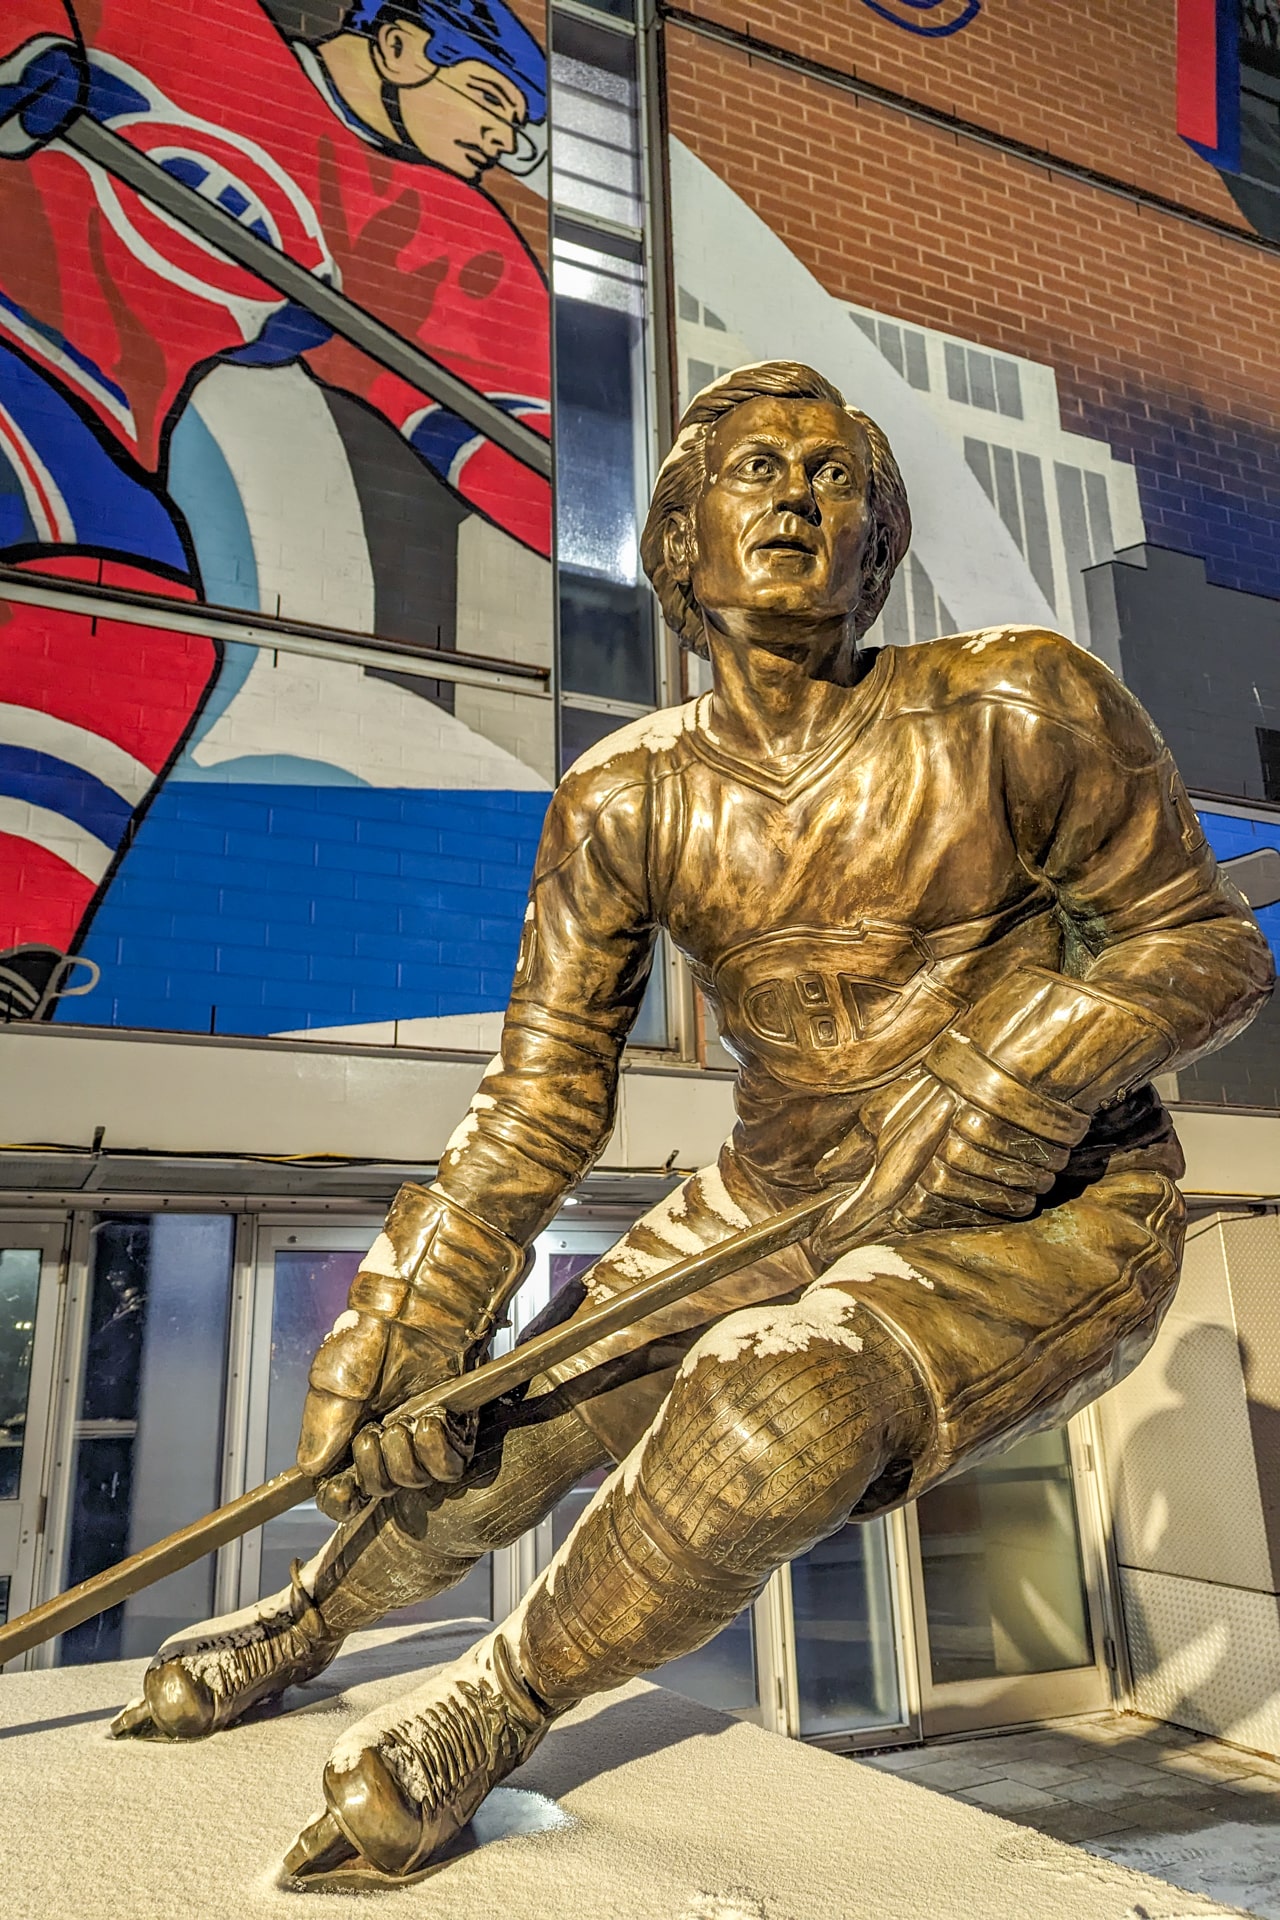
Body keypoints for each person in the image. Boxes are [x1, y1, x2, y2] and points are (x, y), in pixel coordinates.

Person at [112, 362, 1271, 1888]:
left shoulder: (1017, 700)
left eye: (834, 475)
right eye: (754, 471)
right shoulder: (626, 796)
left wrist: (1020, 1068)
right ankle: (308, 1620)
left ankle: (498, 1700)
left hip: (1051, 1209)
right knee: (510, 1405)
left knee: (770, 1403)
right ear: (677, 546)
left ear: (878, 544)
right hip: (776, 1189)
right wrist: (417, 1308)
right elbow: (543, 1093)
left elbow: (1202, 947)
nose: (795, 494)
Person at [0, 0, 550, 1018]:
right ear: (395, 45)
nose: (499, 141)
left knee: (135, 626)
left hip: (91, 419)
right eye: (486, 97)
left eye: (516, 125)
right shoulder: (195, 25)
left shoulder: (420, 223)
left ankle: (17, 949)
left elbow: (520, 440)